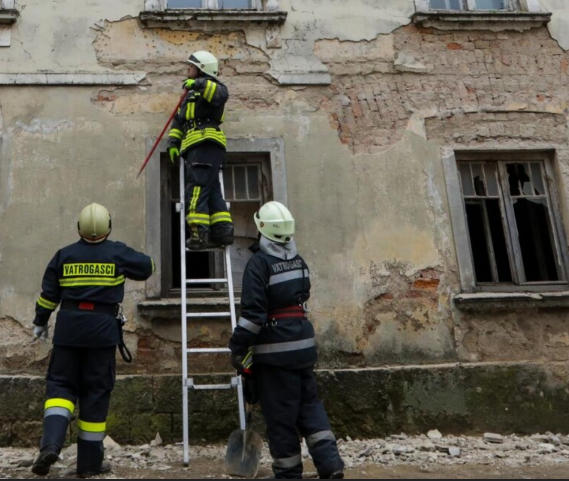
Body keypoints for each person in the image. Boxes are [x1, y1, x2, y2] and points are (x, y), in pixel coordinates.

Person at [30, 203, 155, 478]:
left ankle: (50, 445)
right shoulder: (117, 252)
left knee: (60, 388)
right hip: (102, 332)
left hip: (68, 331)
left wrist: (40, 322)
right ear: (108, 227)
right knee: (96, 393)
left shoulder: (64, 255)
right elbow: (148, 267)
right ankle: (89, 464)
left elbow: (48, 296)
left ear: (79, 228)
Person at [228, 202, 345, 479]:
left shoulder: (259, 264)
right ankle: (331, 466)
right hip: (303, 349)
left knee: (281, 416)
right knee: (310, 408)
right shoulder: (299, 260)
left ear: (262, 228)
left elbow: (254, 315)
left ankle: (288, 472)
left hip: (276, 354)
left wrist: (237, 346)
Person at [167, 50, 234, 251]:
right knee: (211, 192)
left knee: (196, 190)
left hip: (204, 143)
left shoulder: (213, 87)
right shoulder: (189, 96)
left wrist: (197, 84)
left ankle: (198, 235)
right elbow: (179, 121)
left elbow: (220, 94)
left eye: (191, 66)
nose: (188, 69)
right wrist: (172, 143)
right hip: (197, 145)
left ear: (201, 69)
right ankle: (222, 232)